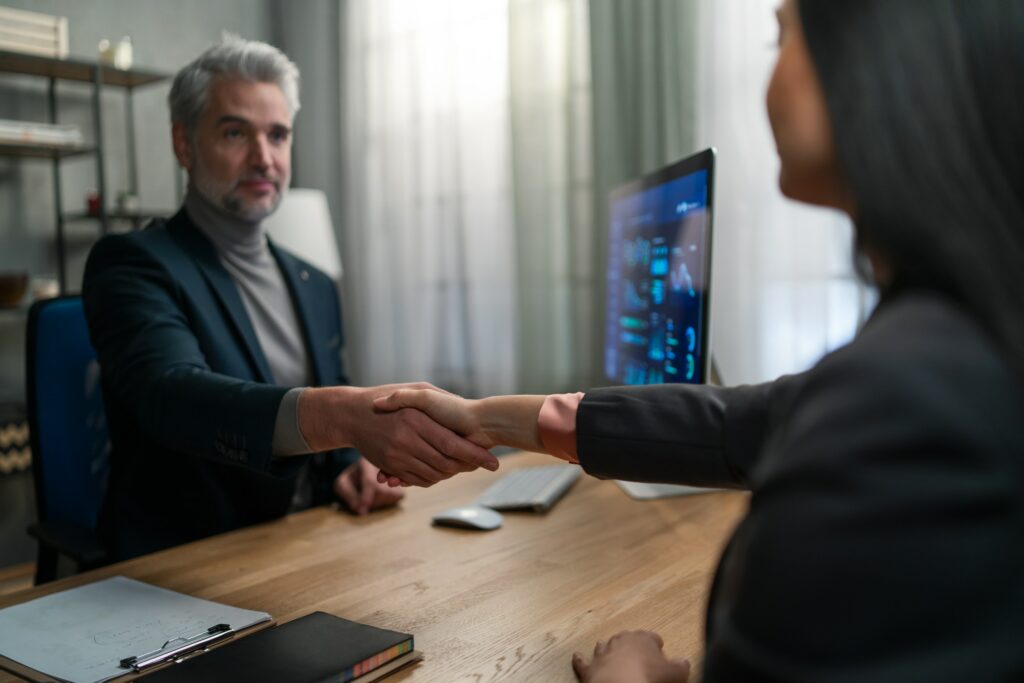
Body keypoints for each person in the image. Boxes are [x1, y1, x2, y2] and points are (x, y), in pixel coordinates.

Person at [373, 0, 1024, 680]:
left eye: (782, 35)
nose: (766, 80)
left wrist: (627, 677)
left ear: (873, 62)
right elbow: (738, 420)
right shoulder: (963, 343)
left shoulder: (901, 402)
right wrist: (482, 416)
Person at [83, 36, 498, 561]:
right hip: (192, 561)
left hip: (312, 544)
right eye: (235, 132)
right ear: (184, 144)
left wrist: (352, 461)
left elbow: (334, 402)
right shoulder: (132, 263)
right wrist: (343, 417)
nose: (263, 158)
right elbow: (172, 396)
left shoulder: (315, 283)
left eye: (277, 135)